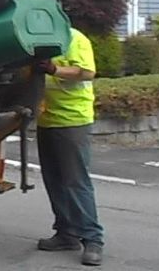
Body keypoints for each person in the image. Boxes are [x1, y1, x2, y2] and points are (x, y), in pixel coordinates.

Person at [36, 27, 104, 267]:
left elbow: (87, 72)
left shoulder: (75, 38)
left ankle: (93, 239)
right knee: (54, 180)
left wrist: (55, 69)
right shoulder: (39, 39)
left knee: (75, 181)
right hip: (47, 119)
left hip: (73, 120)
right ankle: (66, 233)